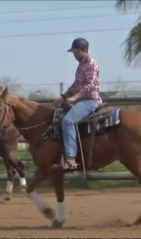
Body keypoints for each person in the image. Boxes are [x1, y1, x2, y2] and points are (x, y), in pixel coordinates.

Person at [53, 38, 102, 170]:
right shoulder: (81, 65)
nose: (74, 54)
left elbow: (90, 85)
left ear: (84, 50)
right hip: (82, 100)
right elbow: (77, 84)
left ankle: (70, 159)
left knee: (68, 121)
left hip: (91, 101)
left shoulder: (92, 64)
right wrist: (64, 96)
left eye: (76, 52)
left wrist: (75, 97)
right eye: (73, 52)